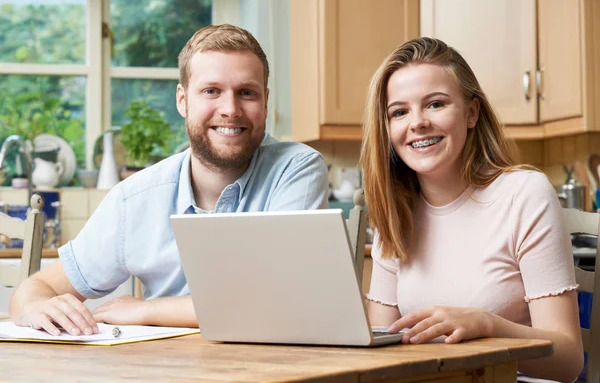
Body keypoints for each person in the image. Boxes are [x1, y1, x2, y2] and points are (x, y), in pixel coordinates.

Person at [9, 24, 329, 336]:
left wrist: (149, 310)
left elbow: (280, 301)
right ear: (182, 100)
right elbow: (35, 289)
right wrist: (37, 305)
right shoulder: (134, 198)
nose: (230, 109)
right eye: (211, 91)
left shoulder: (296, 168)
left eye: (246, 93)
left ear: (266, 101)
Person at [360, 37, 583, 382]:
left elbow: (568, 360)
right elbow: (379, 343)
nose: (417, 122)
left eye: (435, 104)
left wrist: (486, 326)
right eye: (399, 112)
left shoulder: (522, 194)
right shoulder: (395, 210)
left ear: (471, 113)